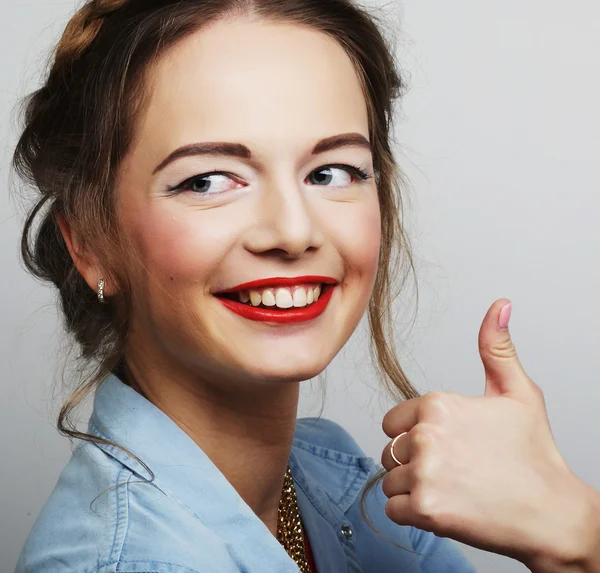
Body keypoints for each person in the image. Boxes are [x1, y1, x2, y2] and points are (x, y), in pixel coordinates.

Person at [11, 1, 600, 572]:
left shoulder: (329, 474)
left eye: (331, 172)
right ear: (87, 243)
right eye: (209, 180)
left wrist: (570, 528)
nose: (294, 231)